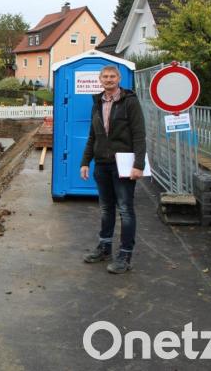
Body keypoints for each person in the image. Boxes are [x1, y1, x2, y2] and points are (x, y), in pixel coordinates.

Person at [80, 65, 146, 274]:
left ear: (118, 78)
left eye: (112, 76)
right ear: (100, 79)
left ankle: (125, 255)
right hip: (102, 164)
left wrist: (138, 165)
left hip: (123, 165)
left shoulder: (130, 102)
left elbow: (139, 135)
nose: (108, 79)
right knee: (106, 208)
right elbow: (93, 136)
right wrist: (84, 162)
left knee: (125, 210)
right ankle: (104, 248)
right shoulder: (97, 102)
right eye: (105, 76)